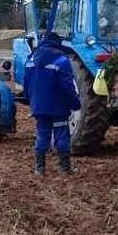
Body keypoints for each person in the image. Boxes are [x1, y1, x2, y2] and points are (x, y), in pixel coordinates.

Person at [23, 30, 82, 175]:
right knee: (61, 135)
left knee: (42, 134)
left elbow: (26, 84)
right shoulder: (61, 60)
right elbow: (67, 86)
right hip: (58, 107)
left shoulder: (31, 59)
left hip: (39, 106)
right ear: (57, 43)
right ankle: (64, 168)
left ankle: (39, 169)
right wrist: (75, 103)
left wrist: (31, 100)